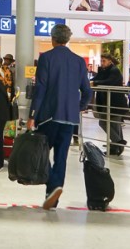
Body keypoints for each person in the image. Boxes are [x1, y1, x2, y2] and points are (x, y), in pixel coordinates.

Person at [27, 24, 92, 210]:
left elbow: (40, 90)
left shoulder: (46, 58)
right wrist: (77, 108)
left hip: (48, 116)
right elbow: (87, 92)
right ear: (68, 39)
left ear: (53, 38)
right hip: (69, 118)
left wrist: (33, 115)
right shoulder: (79, 61)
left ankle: (52, 186)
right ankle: (53, 195)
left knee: (42, 152)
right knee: (61, 157)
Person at [91, 53, 127, 156]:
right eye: (101, 61)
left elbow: (109, 82)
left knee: (107, 123)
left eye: (104, 61)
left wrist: (95, 82)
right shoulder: (103, 70)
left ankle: (118, 143)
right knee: (113, 125)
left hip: (115, 102)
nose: (102, 63)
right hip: (106, 102)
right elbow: (96, 79)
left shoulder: (114, 70)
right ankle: (117, 146)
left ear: (110, 61)